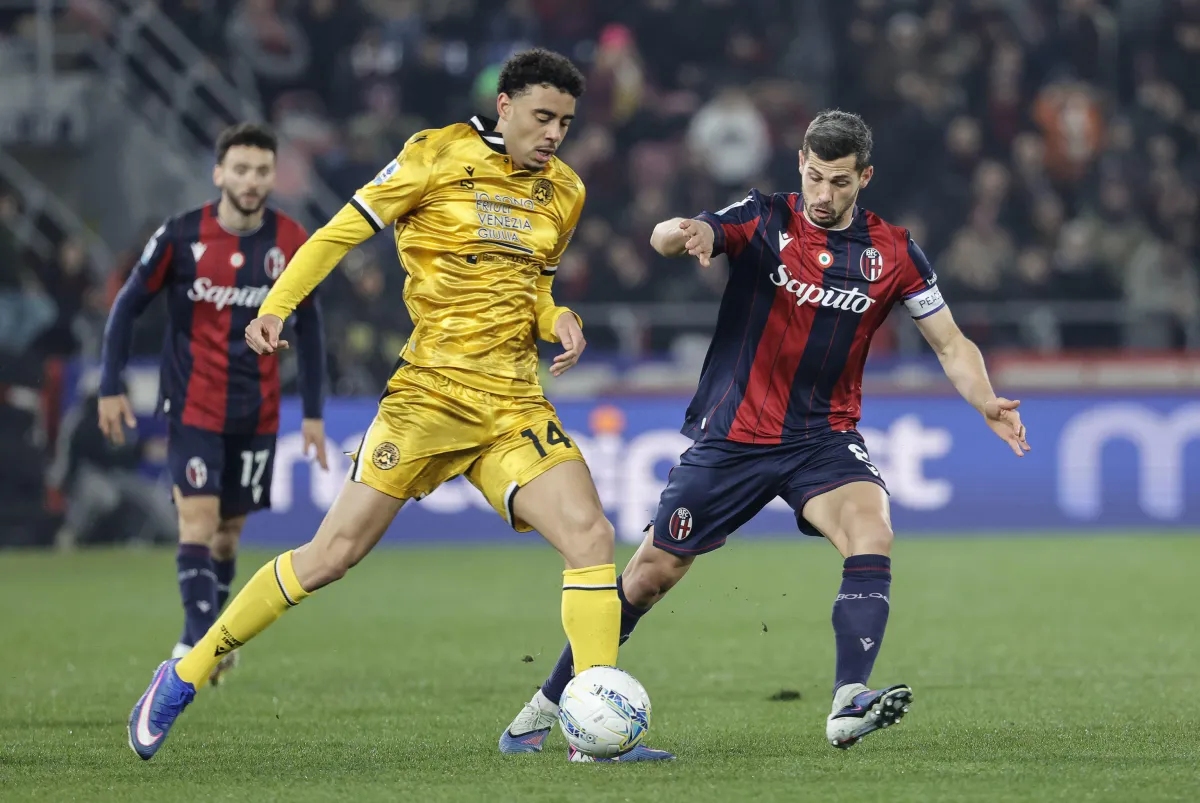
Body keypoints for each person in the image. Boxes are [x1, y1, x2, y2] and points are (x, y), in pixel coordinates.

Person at [127, 48, 672, 764]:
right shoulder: (433, 156)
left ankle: (591, 736)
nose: (553, 135)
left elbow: (532, 284)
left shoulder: (563, 190)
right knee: (330, 556)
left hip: (511, 402)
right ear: (504, 106)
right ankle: (186, 671)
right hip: (428, 398)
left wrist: (556, 317)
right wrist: (277, 305)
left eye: (565, 123)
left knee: (592, 536)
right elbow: (341, 232)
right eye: (542, 117)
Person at [501, 109, 1030, 752]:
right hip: (734, 436)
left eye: (839, 182)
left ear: (865, 177)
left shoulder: (893, 251)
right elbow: (666, 237)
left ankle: (847, 702)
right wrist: (686, 231)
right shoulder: (763, 216)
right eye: (814, 178)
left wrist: (984, 401)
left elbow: (950, 344)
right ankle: (540, 710)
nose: (824, 196)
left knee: (872, 530)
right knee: (647, 579)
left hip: (822, 439)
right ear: (799, 166)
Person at [101, 123, 328, 686]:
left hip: (258, 412)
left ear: (274, 175)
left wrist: (316, 413)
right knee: (197, 522)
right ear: (219, 173)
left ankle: (209, 633)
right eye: (242, 169)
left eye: (262, 170)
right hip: (194, 406)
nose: (252, 181)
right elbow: (127, 306)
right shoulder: (181, 236)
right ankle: (199, 639)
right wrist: (111, 383)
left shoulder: (292, 241)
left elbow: (315, 327)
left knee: (227, 534)